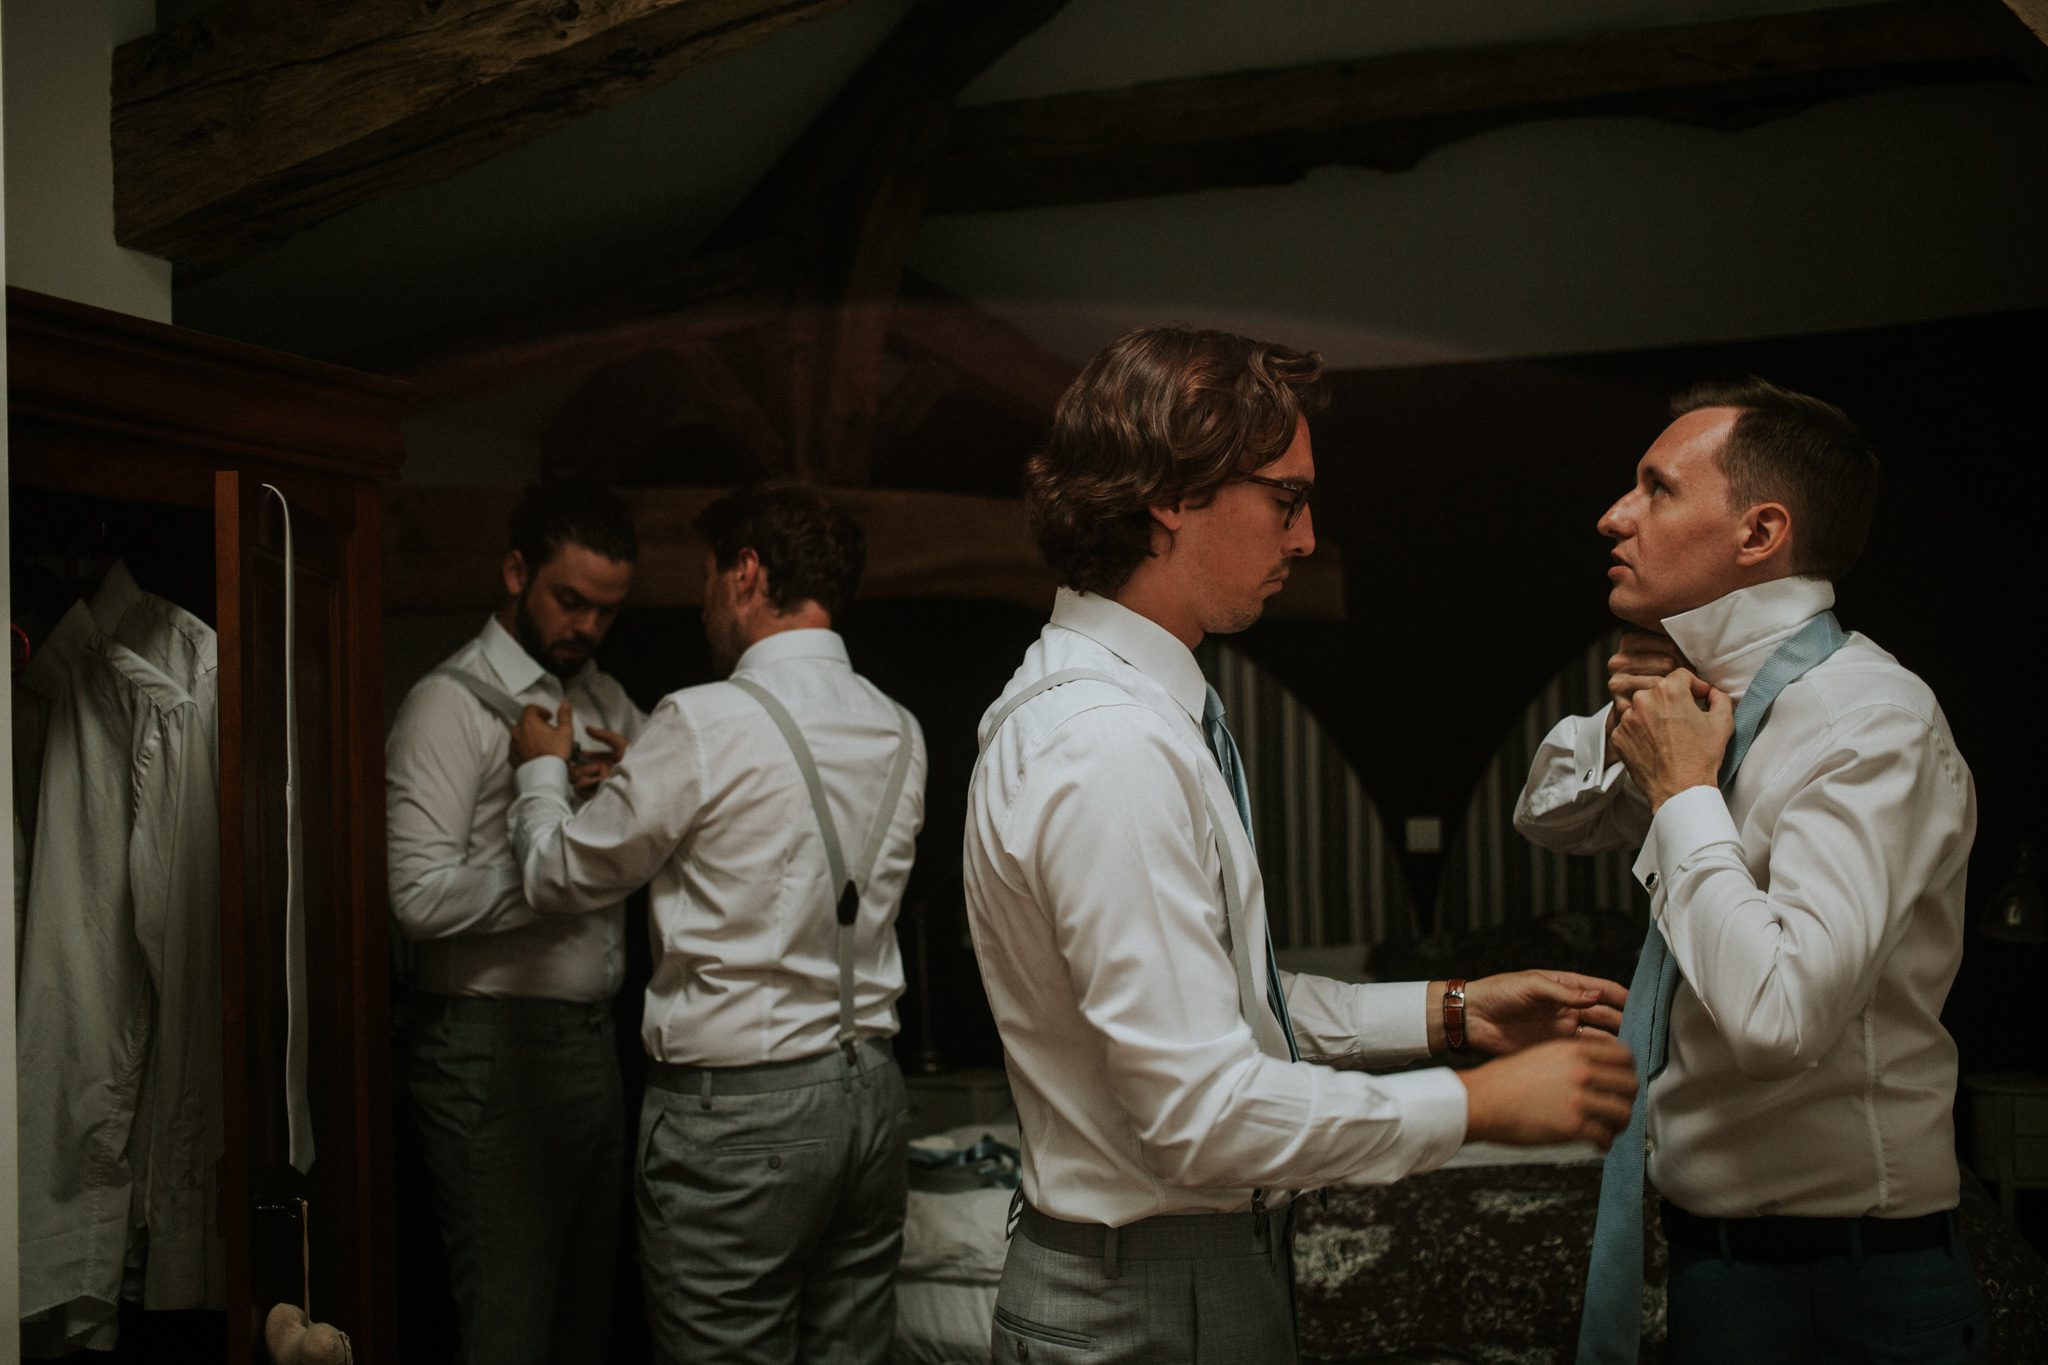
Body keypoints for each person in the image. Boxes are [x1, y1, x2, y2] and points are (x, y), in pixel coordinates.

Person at [963, 324, 1641, 1365]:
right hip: (1151, 1298)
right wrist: (1470, 1107)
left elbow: (1230, 1005)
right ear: (1172, 493)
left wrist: (1451, 1012)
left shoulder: (1132, 710)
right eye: (1285, 498)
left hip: (1182, 1274)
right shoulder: (1106, 746)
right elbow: (1197, 1112)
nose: (1305, 538)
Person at [1514, 379, 1987, 1364]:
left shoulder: (1866, 720)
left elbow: (1781, 1014)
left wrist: (1684, 793)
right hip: (1719, 1267)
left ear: (1758, 530)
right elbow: (1548, 816)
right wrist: (1634, 729)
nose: (1612, 515)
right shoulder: (1706, 702)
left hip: (1845, 1285)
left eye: (1654, 488)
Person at [505, 482, 927, 1365]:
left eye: (706, 577)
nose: (703, 601)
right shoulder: (901, 727)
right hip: (871, 1101)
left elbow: (555, 877)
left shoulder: (699, 720)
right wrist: (645, 778)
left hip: (740, 1118)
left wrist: (542, 774)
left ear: (746, 574)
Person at [385, 479, 644, 1365]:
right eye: (570, 601)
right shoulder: (445, 705)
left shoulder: (610, 706)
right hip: (485, 1049)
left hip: (594, 1044)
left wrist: (621, 805)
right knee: (507, 1326)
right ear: (514, 572)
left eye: (606, 611)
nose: (587, 627)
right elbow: (415, 897)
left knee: (584, 1326)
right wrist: (556, 858)